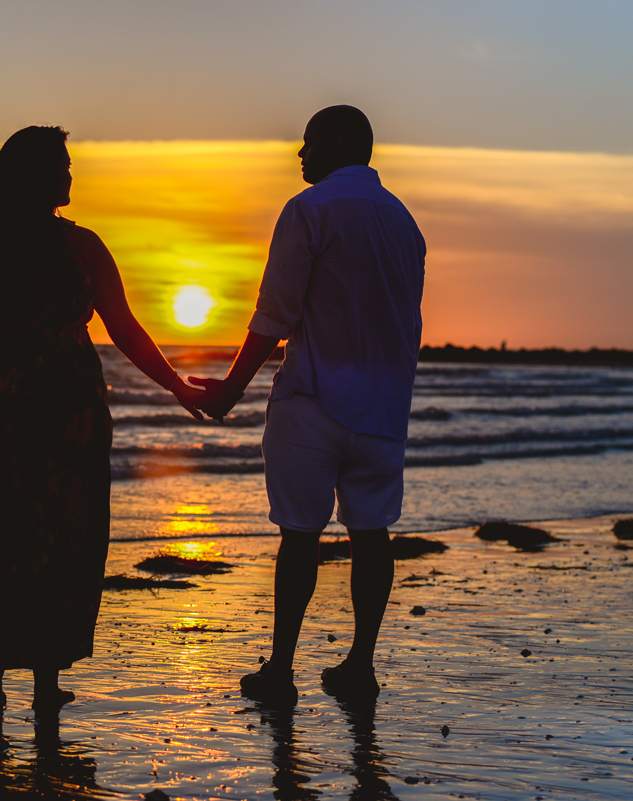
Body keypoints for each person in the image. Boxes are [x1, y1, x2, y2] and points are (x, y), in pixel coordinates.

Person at [0, 125, 207, 715]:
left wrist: (177, 384)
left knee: (2, 546)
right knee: (44, 544)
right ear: (35, 175)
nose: (71, 176)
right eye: (62, 166)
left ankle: (3, 687)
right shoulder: (65, 248)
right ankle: (33, 687)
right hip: (40, 417)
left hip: (3, 415)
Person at [192, 105, 425, 703]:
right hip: (383, 407)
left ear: (341, 143)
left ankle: (282, 670)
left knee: (300, 536)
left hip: (315, 401)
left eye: (310, 143)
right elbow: (403, 319)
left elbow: (276, 314)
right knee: (372, 534)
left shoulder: (310, 209)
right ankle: (360, 665)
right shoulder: (404, 223)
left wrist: (230, 390)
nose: (301, 155)